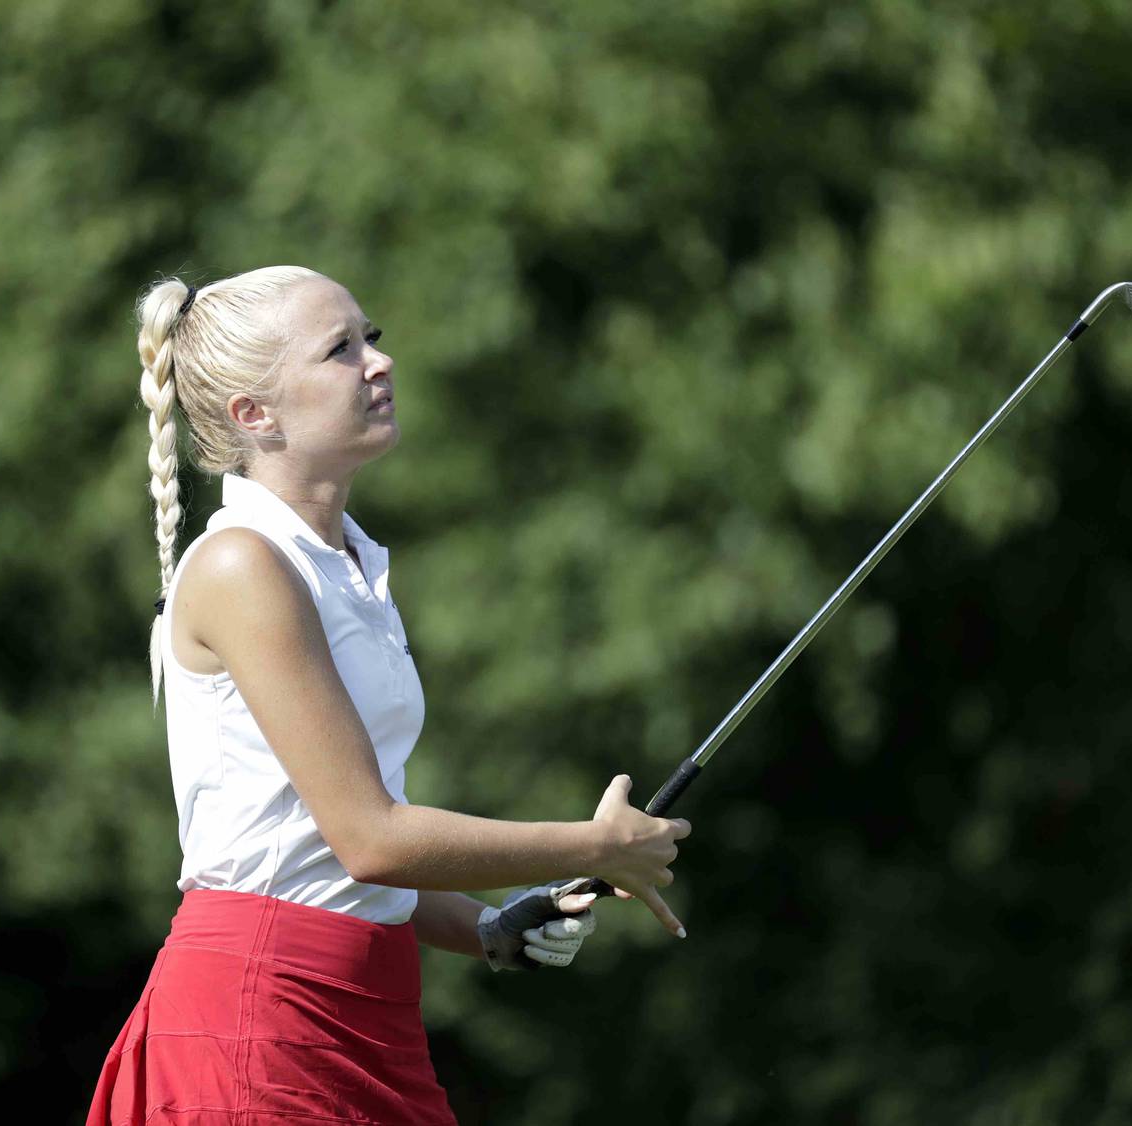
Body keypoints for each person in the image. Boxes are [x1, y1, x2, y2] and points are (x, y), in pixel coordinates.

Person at [84, 265, 692, 1125]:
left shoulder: (349, 565)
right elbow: (370, 838)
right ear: (253, 415)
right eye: (341, 350)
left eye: (371, 336)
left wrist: (484, 928)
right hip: (259, 1020)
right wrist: (593, 847)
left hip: (362, 1010)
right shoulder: (242, 565)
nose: (379, 362)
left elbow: (324, 855)